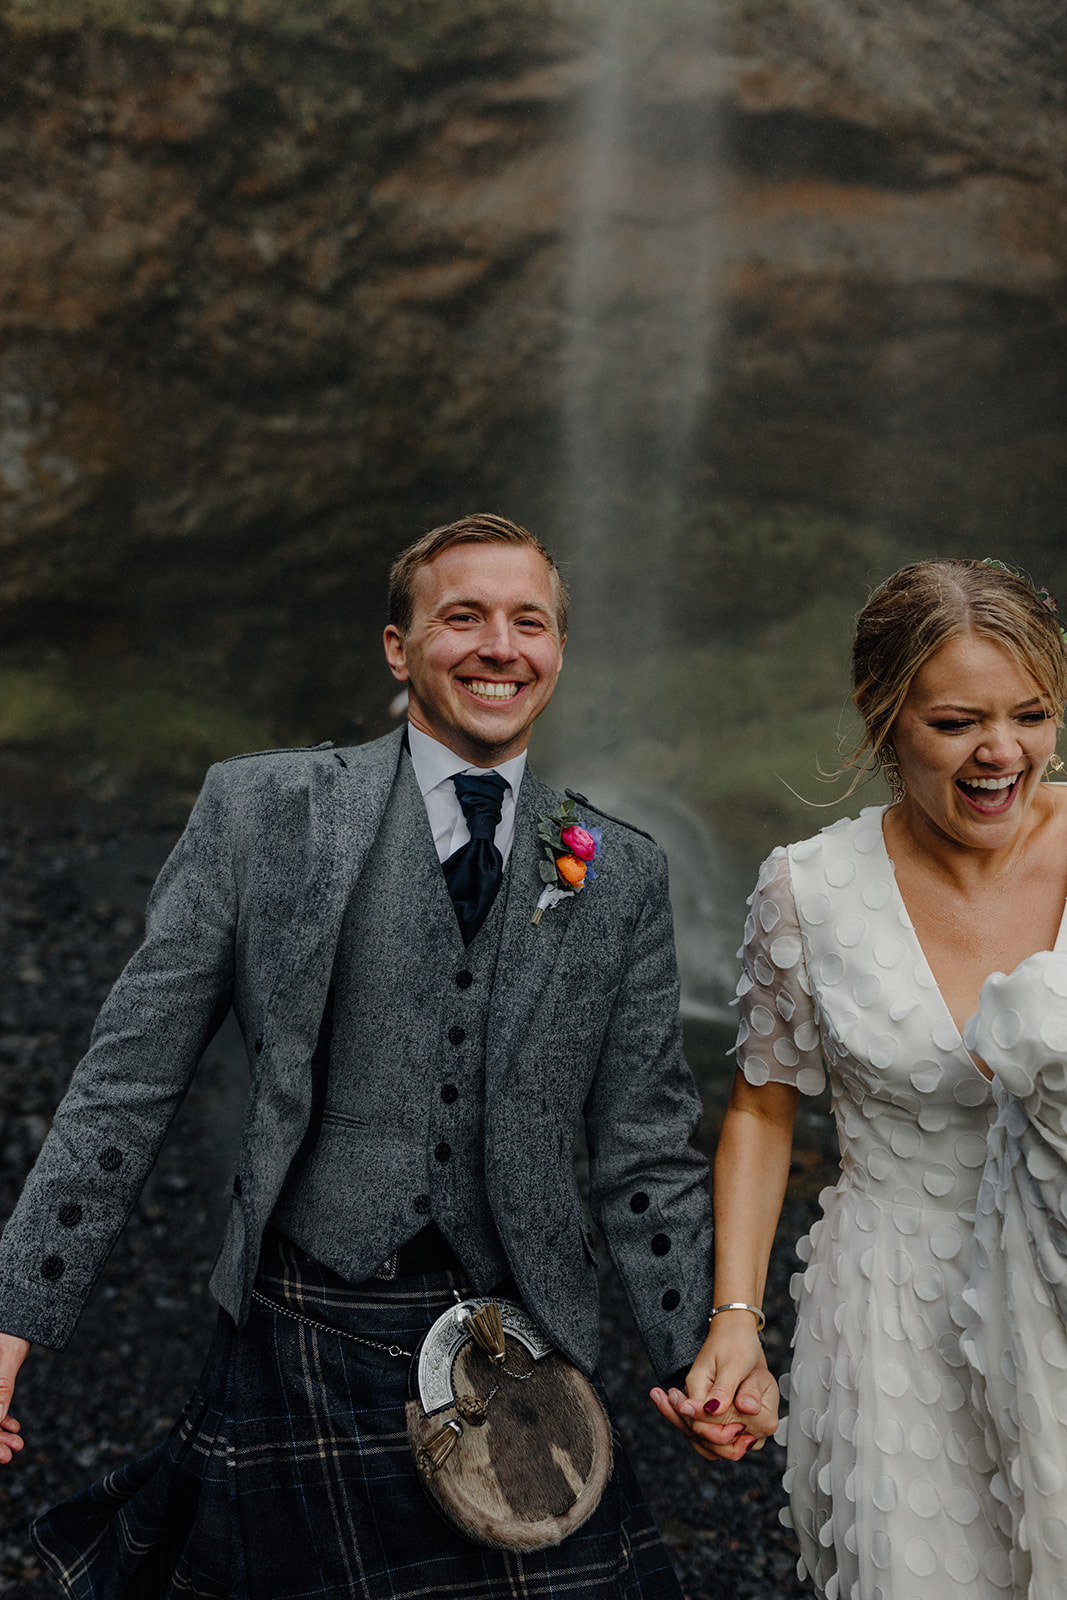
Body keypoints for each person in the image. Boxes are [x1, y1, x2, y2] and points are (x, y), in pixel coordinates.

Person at [0, 514, 773, 1599]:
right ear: (397, 648)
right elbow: (127, 1081)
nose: (498, 645)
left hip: (520, 1349)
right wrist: (12, 1316)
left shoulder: (617, 870)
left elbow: (644, 1146)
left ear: (556, 654)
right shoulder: (262, 811)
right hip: (305, 1327)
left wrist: (703, 1354)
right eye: (462, 617)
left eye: (527, 622)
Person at [655, 558, 1067, 1597]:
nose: (999, 752)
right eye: (955, 722)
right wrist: (734, 1322)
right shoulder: (808, 889)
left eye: (1031, 714)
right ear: (880, 716)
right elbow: (758, 1106)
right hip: (894, 1313)